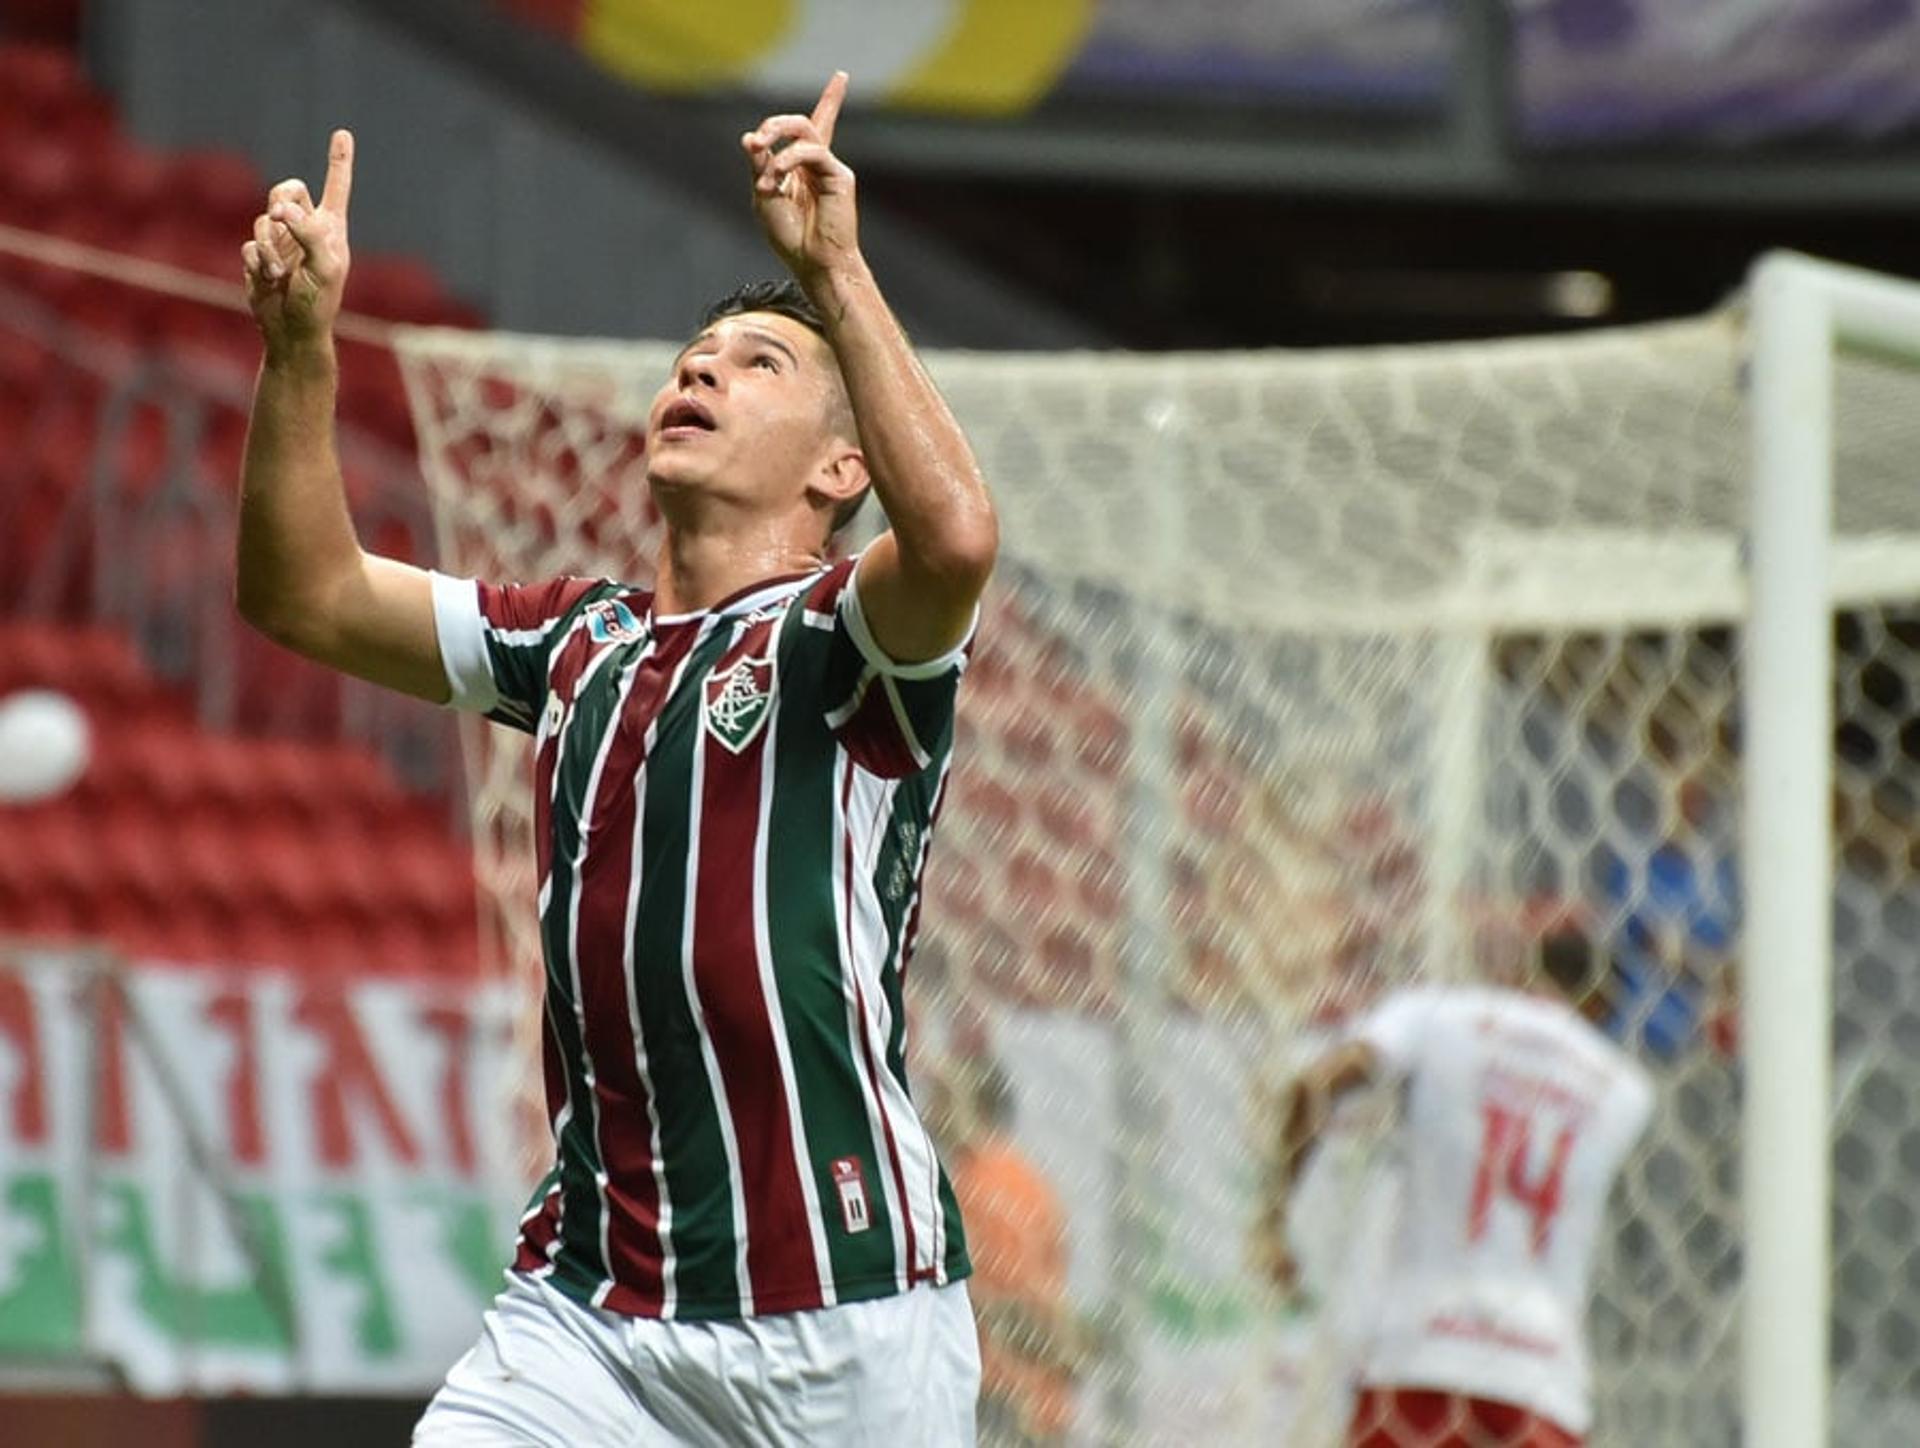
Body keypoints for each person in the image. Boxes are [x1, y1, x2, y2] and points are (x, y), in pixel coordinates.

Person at [236, 72, 995, 1445]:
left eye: (756, 364)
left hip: (846, 1320)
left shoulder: (845, 636)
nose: (698, 369)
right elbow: (310, 595)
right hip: (589, 1311)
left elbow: (953, 542)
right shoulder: (574, 643)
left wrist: (830, 266)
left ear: (838, 473)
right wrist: (300, 351)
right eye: (693, 358)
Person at [1260, 932, 1655, 1448]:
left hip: (1421, 1353)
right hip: (1541, 1377)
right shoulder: (1623, 1088)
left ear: (1519, 971)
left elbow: (1314, 1086)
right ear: (1601, 1006)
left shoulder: (1438, 1016)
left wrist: (1271, 1218)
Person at [944, 1057, 1078, 1446]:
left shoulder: (980, 1185)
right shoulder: (1028, 1179)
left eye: (944, 1095)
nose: (929, 1107)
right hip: (1037, 1399)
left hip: (1003, 1395)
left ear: (973, 1105)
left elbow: (1016, 1302)